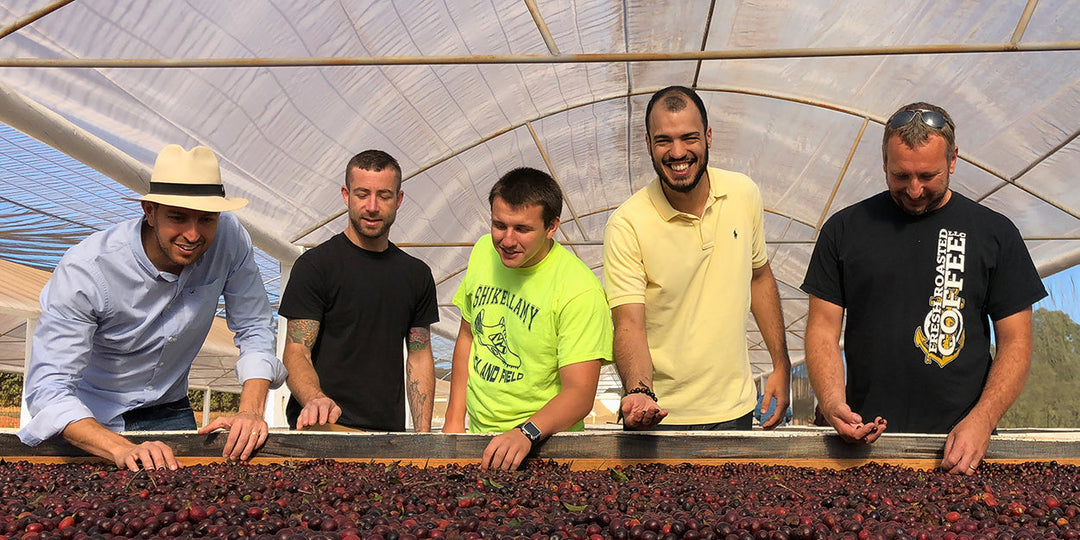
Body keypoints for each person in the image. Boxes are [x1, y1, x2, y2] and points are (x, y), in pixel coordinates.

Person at [801, 102, 1047, 474]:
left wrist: (982, 421)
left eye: (927, 176)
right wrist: (834, 402)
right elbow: (822, 330)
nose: (914, 190)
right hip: (866, 447)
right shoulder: (844, 230)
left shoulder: (995, 234)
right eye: (901, 176)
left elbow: (1016, 341)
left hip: (961, 448)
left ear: (952, 160)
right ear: (884, 162)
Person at [19, 144, 287, 471]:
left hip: (171, 409)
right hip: (94, 422)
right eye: (177, 217)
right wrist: (120, 448)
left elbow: (256, 326)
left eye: (206, 219)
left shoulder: (230, 239)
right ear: (149, 211)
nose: (192, 234)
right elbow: (49, 388)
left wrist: (250, 411)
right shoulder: (87, 269)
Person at [603, 86, 792, 431]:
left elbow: (759, 277)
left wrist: (781, 365)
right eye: (664, 140)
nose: (678, 152)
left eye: (689, 138)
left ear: (708, 136)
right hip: (658, 418)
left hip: (735, 411)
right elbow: (629, 323)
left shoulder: (742, 194)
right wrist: (640, 391)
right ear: (648, 143)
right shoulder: (627, 223)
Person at [443, 167, 612, 471]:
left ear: (552, 227)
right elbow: (469, 335)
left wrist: (526, 433)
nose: (507, 240)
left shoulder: (578, 289)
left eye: (522, 229)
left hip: (546, 447)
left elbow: (580, 393)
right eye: (499, 225)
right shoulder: (483, 251)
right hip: (480, 440)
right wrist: (454, 421)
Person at [279, 150, 438, 432]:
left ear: (399, 199)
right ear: (346, 195)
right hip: (326, 429)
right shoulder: (316, 267)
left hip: (388, 435)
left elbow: (419, 354)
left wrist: (422, 434)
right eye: (362, 194)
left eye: (384, 196)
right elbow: (296, 351)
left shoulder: (416, 275)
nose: (372, 206)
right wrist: (316, 400)